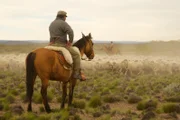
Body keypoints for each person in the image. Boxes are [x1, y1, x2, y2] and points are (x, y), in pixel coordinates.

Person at [49, 10, 86, 81]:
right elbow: (71, 32)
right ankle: (76, 73)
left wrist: (51, 42)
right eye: (65, 17)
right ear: (63, 17)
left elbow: (51, 35)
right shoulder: (63, 23)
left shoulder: (52, 24)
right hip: (61, 45)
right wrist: (70, 42)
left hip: (52, 44)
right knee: (76, 54)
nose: (65, 18)